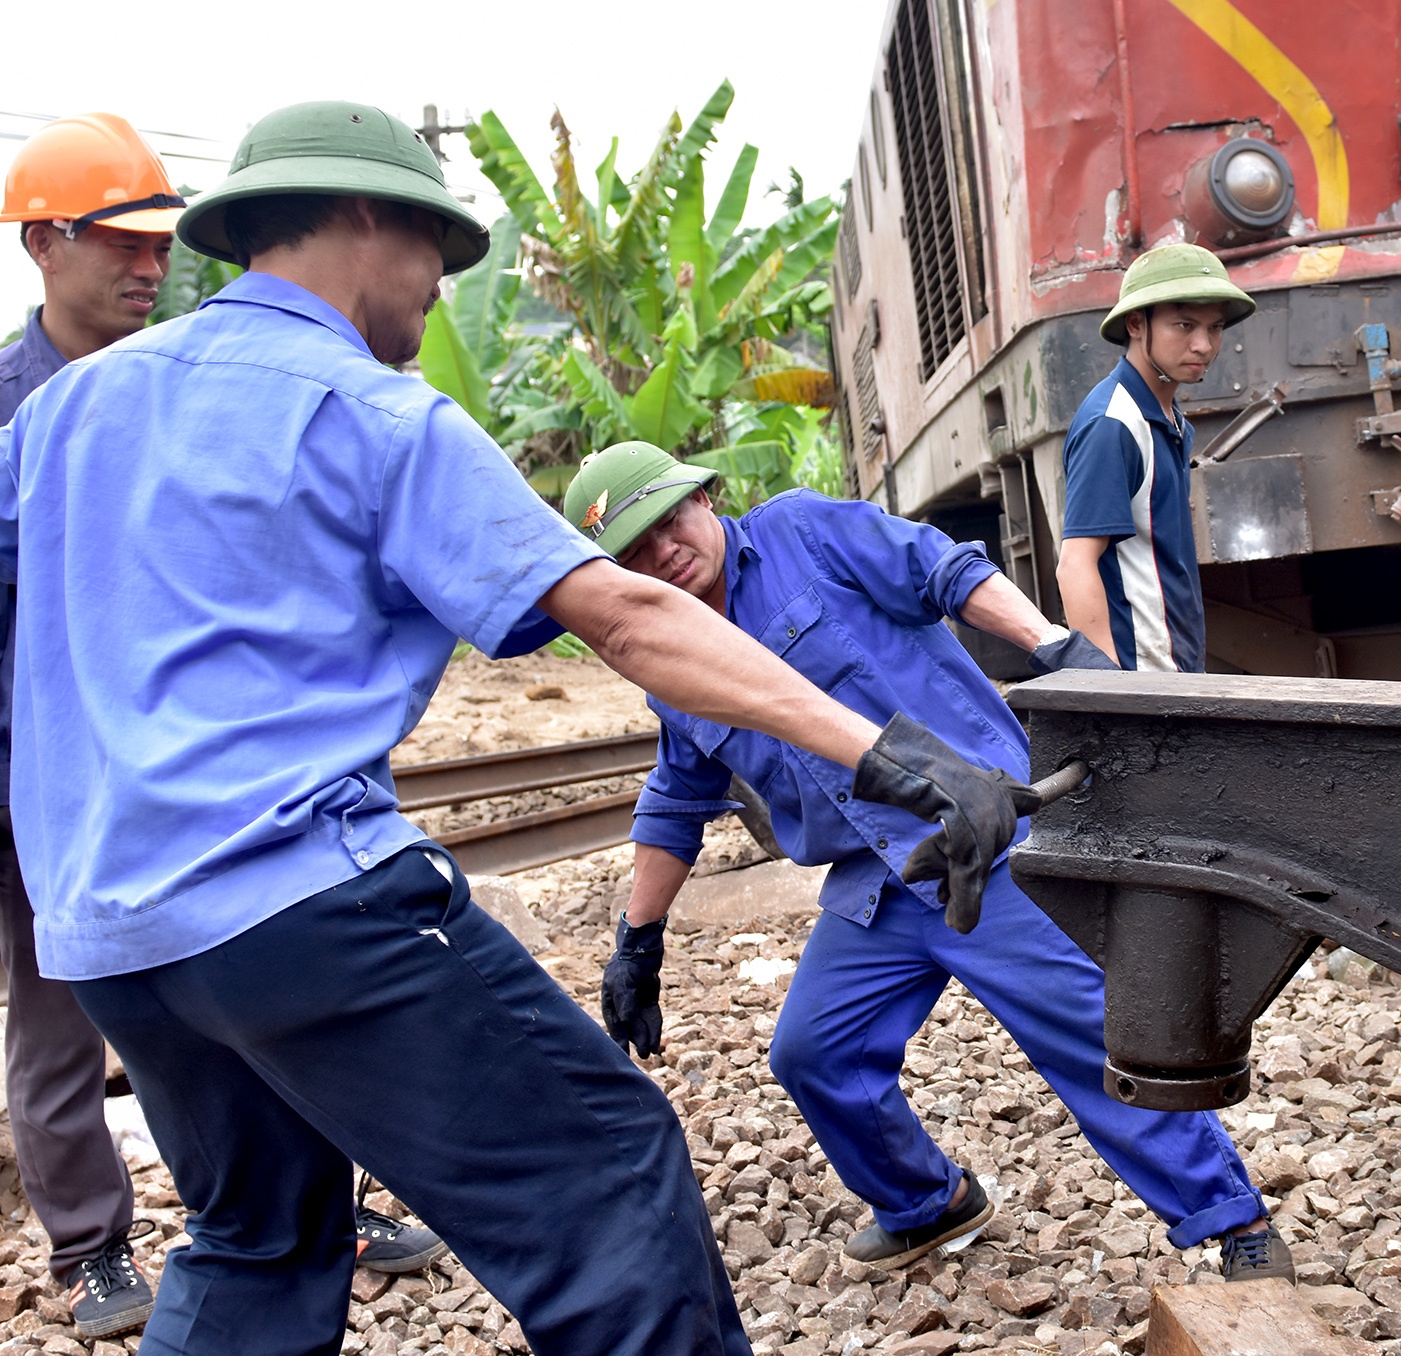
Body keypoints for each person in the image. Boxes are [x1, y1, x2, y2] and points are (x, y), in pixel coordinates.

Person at [0, 102, 1024, 1356]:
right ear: (372, 220)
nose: (440, 289)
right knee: (609, 1177)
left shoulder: (63, 412)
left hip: (112, 940)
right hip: (295, 907)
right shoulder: (375, 414)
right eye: (441, 249)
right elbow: (631, 617)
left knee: (257, 1243)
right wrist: (884, 750)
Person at [562, 441, 1297, 1283]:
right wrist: (637, 941)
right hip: (873, 882)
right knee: (814, 1054)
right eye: (633, 550)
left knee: (1092, 1036)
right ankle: (927, 1205)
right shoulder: (669, 651)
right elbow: (678, 798)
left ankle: (1231, 1220)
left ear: (705, 499)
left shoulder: (802, 531)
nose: (662, 552)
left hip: (986, 837)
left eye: (669, 521)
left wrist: (1050, 644)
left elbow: (942, 569)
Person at [0, 114, 450, 1342]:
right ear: (44, 244)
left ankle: (327, 1201)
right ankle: (93, 1252)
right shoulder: (19, 411)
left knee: (283, 987)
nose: (150, 266)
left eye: (162, 242)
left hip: (219, 774)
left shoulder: (199, 373)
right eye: (121, 243)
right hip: (50, 784)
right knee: (60, 1025)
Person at [1056, 243, 1254, 673]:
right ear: (1135, 323)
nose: (1203, 345)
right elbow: (1075, 563)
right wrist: (1108, 689)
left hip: (1172, 672)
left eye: (1215, 328)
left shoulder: (1167, 417)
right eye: (1184, 325)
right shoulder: (1113, 424)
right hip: (1142, 679)